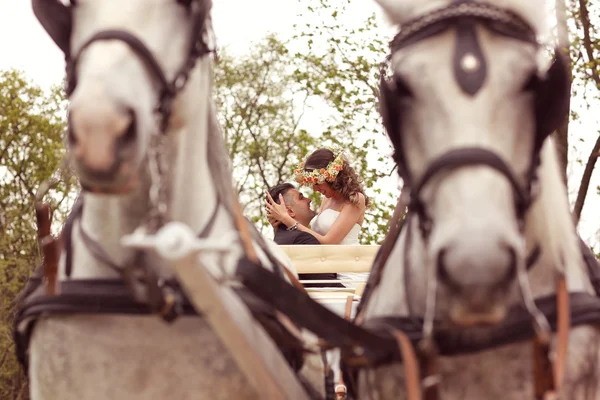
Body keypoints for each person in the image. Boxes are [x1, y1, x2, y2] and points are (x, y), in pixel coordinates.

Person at [265, 148, 371, 288]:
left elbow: (328, 242)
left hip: (347, 272)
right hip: (325, 268)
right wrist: (279, 225)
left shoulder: (355, 199)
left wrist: (289, 220)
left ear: (331, 178)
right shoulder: (326, 200)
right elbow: (313, 237)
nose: (315, 189)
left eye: (317, 182)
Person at [267, 182, 342, 288]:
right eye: (301, 198)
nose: (309, 199)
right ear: (290, 211)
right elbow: (328, 285)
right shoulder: (303, 240)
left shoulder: (281, 238)